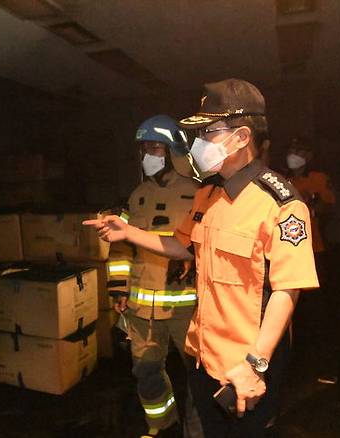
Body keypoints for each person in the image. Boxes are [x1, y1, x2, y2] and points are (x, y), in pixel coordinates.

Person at [86, 79, 319, 437]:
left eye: (209, 131)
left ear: (241, 137)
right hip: (203, 357)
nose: (199, 143)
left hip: (244, 367)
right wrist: (127, 232)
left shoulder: (281, 204)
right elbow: (184, 247)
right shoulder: (208, 195)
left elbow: (287, 292)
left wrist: (256, 364)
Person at [105, 115, 202, 438]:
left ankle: (198, 430)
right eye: (144, 148)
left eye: (156, 147)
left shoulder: (198, 194)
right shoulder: (136, 196)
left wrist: (194, 261)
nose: (148, 154)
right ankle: (161, 426)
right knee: (146, 372)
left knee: (199, 375)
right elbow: (120, 247)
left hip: (186, 307)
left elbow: (210, 244)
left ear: (174, 151)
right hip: (141, 308)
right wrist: (118, 289)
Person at [284, 137, 338, 384]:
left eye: (300, 151)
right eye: (291, 150)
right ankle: (292, 364)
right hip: (286, 254)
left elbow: (329, 207)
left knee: (317, 312)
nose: (294, 155)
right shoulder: (282, 179)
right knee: (289, 311)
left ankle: (324, 366)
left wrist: (312, 202)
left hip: (314, 252)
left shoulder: (317, 178)